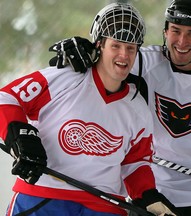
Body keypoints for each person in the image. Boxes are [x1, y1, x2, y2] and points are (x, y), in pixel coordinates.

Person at [48, 0, 191, 215]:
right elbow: (105, 64)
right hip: (153, 196)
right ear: (165, 31)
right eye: (175, 30)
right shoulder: (143, 63)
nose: (182, 41)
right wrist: (84, 50)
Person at [0, 2, 178, 216]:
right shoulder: (65, 78)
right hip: (44, 194)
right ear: (100, 45)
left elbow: (135, 163)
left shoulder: (138, 108)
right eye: (116, 45)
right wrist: (20, 137)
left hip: (104, 205)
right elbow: (7, 98)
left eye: (131, 48)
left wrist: (147, 195)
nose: (124, 55)